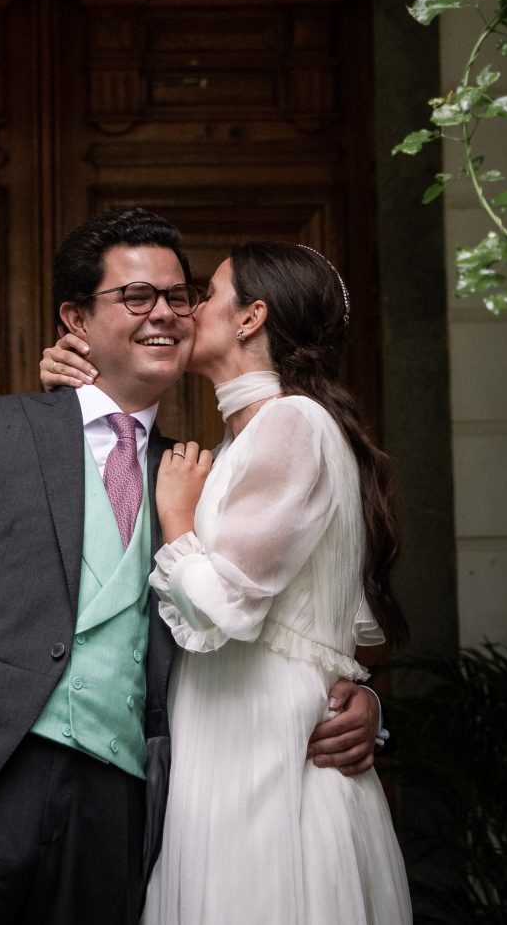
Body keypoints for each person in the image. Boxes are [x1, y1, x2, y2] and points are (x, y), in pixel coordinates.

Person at [0, 208, 381, 925]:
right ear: (74, 319)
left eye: (181, 296)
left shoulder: (198, 480)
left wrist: (358, 699)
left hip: (117, 815)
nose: (167, 314)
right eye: (138, 297)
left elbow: (281, 603)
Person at [39, 241, 414, 925]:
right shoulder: (241, 442)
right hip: (217, 729)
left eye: (202, 295)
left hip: (260, 738)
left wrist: (178, 517)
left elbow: (235, 605)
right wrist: (76, 383)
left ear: (251, 319)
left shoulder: (293, 422)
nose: (182, 313)